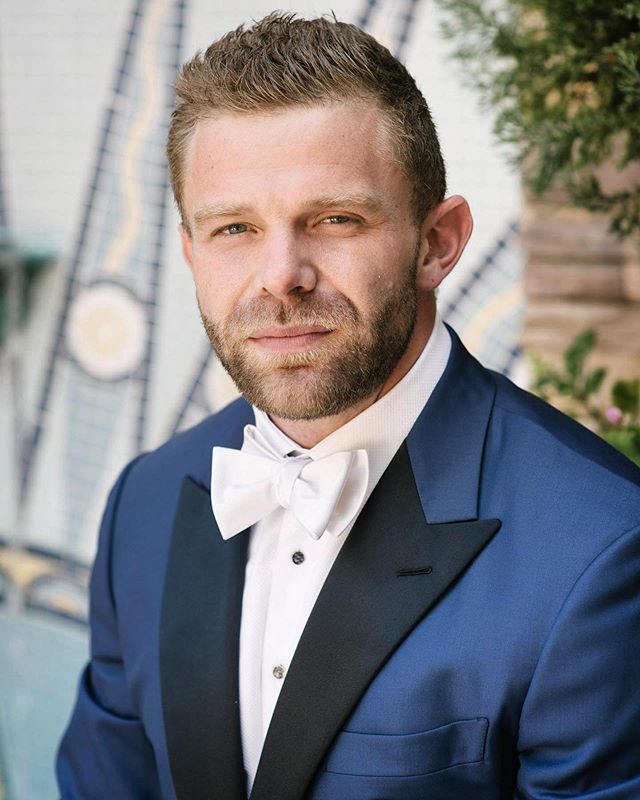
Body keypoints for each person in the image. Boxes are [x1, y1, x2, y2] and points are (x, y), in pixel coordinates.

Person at [56, 12, 640, 800]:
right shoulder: (145, 503)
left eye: (335, 220)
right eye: (234, 228)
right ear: (191, 254)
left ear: (437, 242)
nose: (280, 275)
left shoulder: (601, 550)